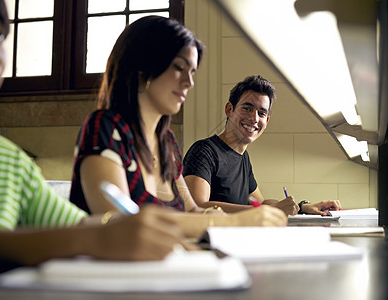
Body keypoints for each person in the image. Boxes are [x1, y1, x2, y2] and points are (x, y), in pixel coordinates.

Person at [0, 0, 187, 272]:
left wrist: (127, 230)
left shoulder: (11, 161)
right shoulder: (104, 127)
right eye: (178, 67)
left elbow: (83, 225)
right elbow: (91, 233)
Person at [69, 16, 287, 237]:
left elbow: (193, 210)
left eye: (191, 72)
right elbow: (121, 227)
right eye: (179, 68)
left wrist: (226, 218)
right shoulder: (105, 128)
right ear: (143, 65)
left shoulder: (166, 143)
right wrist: (236, 222)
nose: (189, 82)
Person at [183, 75, 341, 215]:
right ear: (229, 109)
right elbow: (198, 207)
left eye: (262, 113)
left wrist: (302, 207)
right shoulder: (204, 151)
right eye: (247, 108)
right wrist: (265, 210)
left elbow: (261, 203)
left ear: (267, 121)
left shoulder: (243, 157)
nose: (254, 118)